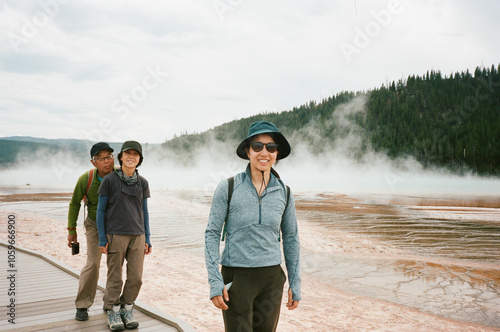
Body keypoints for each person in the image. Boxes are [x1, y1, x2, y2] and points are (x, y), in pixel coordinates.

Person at [205, 121, 301, 332]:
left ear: (276, 153)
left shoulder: (284, 192)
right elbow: (211, 234)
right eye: (257, 146)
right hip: (237, 278)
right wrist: (214, 281)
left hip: (271, 279)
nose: (264, 152)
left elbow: (291, 238)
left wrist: (295, 282)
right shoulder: (228, 187)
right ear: (248, 151)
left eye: (270, 147)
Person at [96, 140, 152, 331]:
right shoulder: (109, 180)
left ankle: (127, 308)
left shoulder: (142, 183)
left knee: (136, 277)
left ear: (139, 160)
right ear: (120, 157)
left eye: (135, 155)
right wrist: (102, 239)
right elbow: (100, 212)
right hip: (115, 235)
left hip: (138, 235)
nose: (131, 157)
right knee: (115, 277)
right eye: (128, 153)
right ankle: (112, 309)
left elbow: (144, 212)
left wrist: (148, 238)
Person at [68, 142, 115, 321]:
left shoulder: (120, 175)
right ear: (93, 162)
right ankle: (82, 304)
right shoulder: (86, 179)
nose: (107, 161)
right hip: (94, 226)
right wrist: (71, 230)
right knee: (93, 263)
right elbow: (74, 203)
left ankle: (110, 303)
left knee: (115, 264)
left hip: (116, 226)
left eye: (109, 156)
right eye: (101, 158)